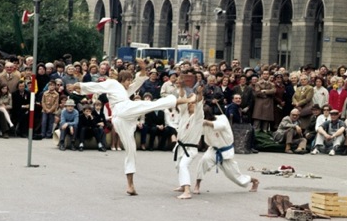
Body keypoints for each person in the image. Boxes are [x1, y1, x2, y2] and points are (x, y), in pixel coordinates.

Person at [72, 59, 196, 196]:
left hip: (123, 119)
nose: (129, 83)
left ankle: (130, 185)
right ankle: (185, 100)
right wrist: (78, 85)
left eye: (130, 80)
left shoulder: (126, 90)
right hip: (121, 111)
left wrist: (143, 68)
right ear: (122, 79)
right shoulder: (113, 84)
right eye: (127, 80)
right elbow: (96, 86)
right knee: (150, 105)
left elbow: (139, 81)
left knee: (131, 151)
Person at [193, 105, 259, 195]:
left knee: (234, 176)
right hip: (213, 150)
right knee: (203, 161)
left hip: (225, 152)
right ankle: (197, 184)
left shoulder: (222, 118)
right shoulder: (202, 124)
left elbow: (221, 126)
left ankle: (254, 180)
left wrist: (205, 122)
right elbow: (197, 132)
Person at [173, 81, 204, 199]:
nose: (191, 104)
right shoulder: (184, 113)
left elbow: (200, 102)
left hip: (190, 148)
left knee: (183, 165)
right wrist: (181, 86)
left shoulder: (198, 117)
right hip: (180, 146)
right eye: (190, 102)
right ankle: (182, 185)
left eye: (193, 102)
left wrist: (199, 94)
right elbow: (181, 96)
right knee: (177, 165)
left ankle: (187, 191)